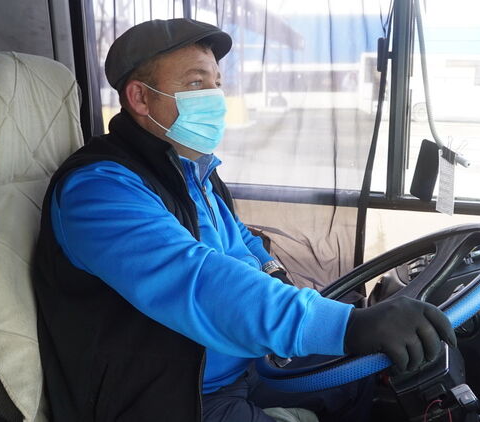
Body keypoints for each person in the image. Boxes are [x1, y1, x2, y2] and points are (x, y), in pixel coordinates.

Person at [32, 18, 456, 422]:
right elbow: (200, 281)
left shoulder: (192, 169)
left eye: (217, 83)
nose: (214, 97)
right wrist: (345, 325)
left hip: (242, 367)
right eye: (195, 83)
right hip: (171, 395)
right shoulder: (100, 190)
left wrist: (278, 278)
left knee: (360, 379)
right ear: (140, 98)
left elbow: (240, 240)